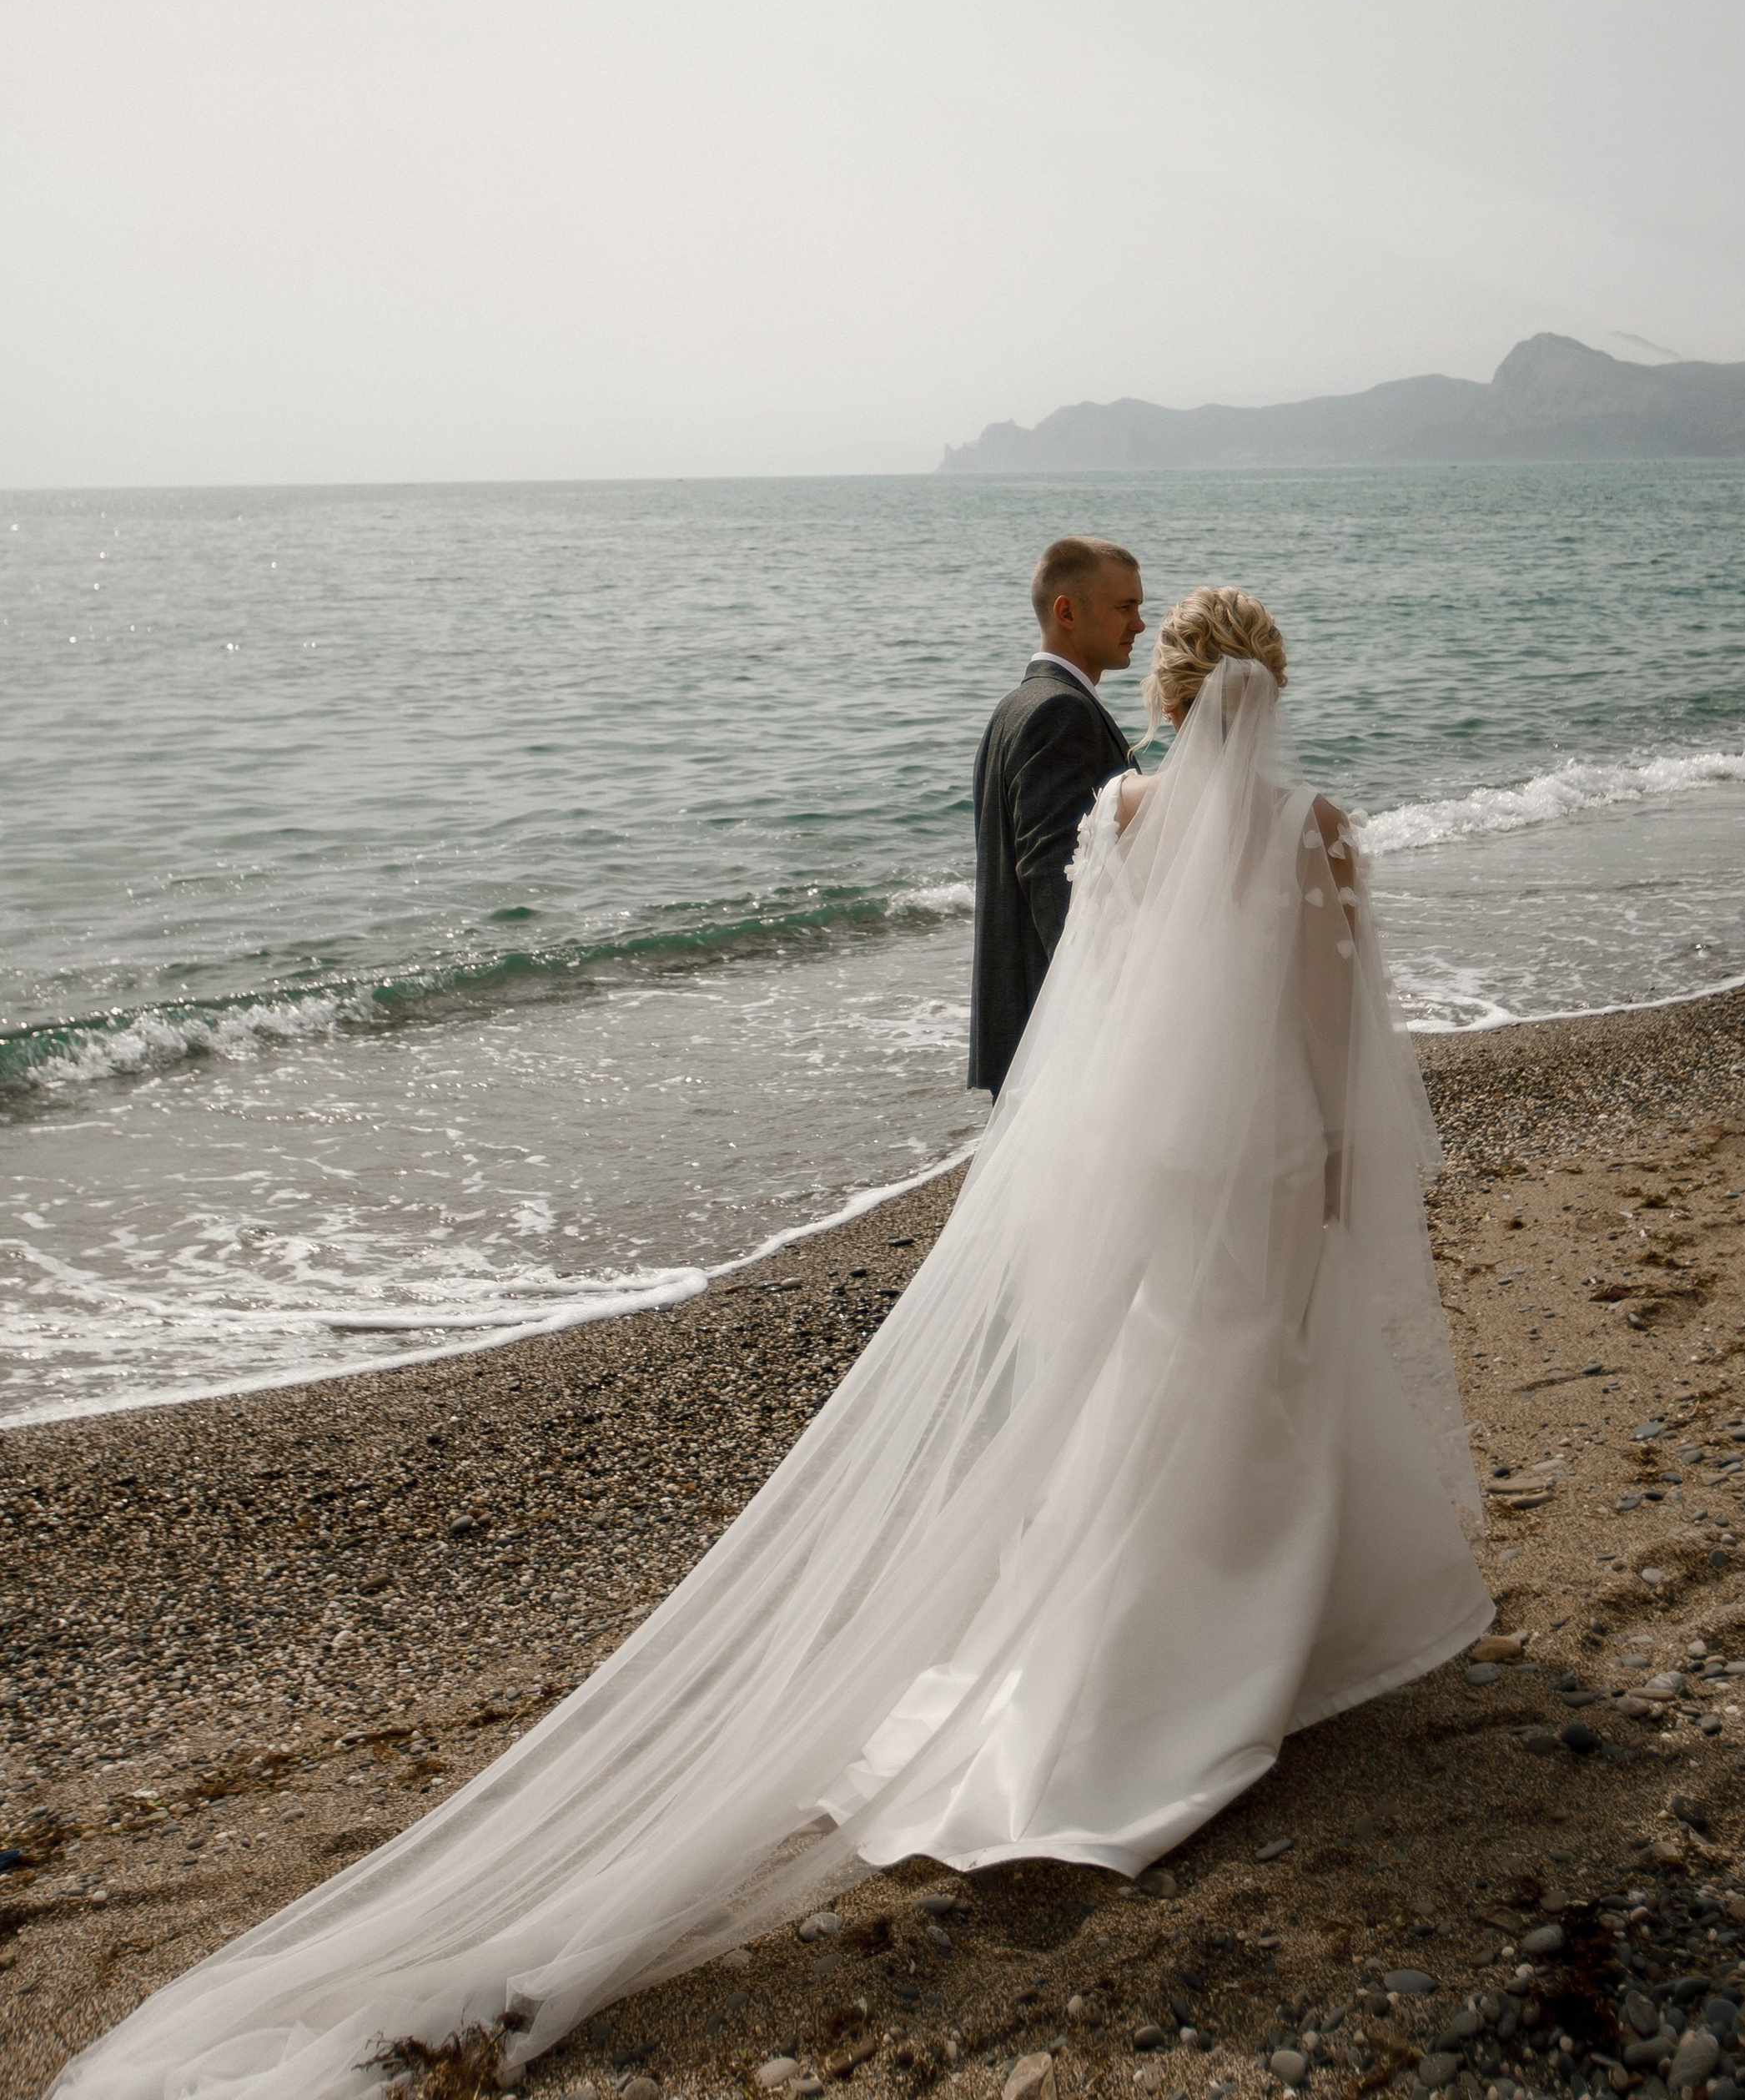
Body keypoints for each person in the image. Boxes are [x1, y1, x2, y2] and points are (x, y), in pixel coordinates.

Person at [51, 588, 1491, 2100]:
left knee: (1143, 1408)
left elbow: (1095, 1018)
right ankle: (1229, 1674)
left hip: (1147, 1170)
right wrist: (1334, 1185)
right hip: (1258, 1177)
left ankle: (1120, 1679)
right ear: (1274, 693)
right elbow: (1334, 1034)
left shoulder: (1126, 814)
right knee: (1249, 1400)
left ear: (1176, 694)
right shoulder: (1320, 828)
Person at [968, 535, 1144, 1095]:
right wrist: (1106, 1014)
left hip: (1028, 1021)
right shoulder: (1060, 713)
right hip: (1055, 1033)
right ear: (1067, 611)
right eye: (1125, 607)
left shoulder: (1018, 705)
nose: (1140, 625)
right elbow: (1054, 880)